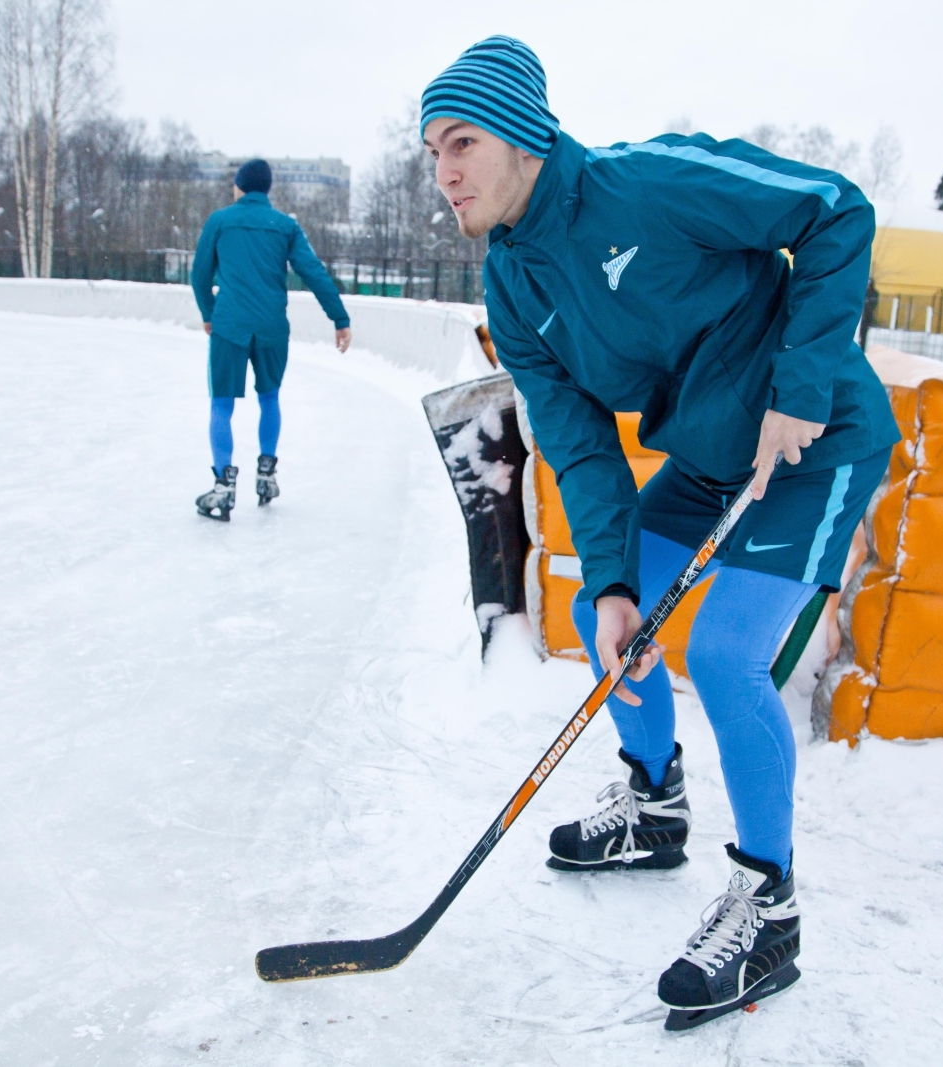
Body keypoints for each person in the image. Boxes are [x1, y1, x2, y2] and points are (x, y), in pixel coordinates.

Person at [420, 37, 900, 1023]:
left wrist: (803, 382)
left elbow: (835, 212)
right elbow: (581, 447)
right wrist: (606, 582)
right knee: (618, 610)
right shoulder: (513, 287)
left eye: (460, 141)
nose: (444, 172)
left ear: (522, 135)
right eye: (429, 152)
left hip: (815, 444)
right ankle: (653, 801)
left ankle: (769, 908)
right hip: (712, 463)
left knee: (726, 655)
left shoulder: (650, 185)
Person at [190, 158, 352, 520]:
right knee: (269, 398)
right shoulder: (284, 226)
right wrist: (339, 318)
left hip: (229, 325)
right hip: (271, 328)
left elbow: (199, 274)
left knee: (222, 404)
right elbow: (312, 272)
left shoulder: (220, 221)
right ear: (266, 189)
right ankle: (266, 474)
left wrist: (208, 311)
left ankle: (223, 486)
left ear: (239, 186)